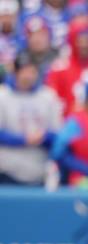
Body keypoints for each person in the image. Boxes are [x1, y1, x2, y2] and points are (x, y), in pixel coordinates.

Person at [0, 53, 62, 185]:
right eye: (24, 71)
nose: (28, 76)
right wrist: (24, 139)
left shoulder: (48, 96)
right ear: (15, 72)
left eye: (32, 71)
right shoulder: (3, 96)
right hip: (7, 170)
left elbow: (57, 134)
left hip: (39, 169)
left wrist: (44, 136)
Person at [46, 20, 88, 116]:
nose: (84, 45)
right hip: (68, 123)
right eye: (79, 41)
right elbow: (52, 102)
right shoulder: (59, 69)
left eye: (87, 41)